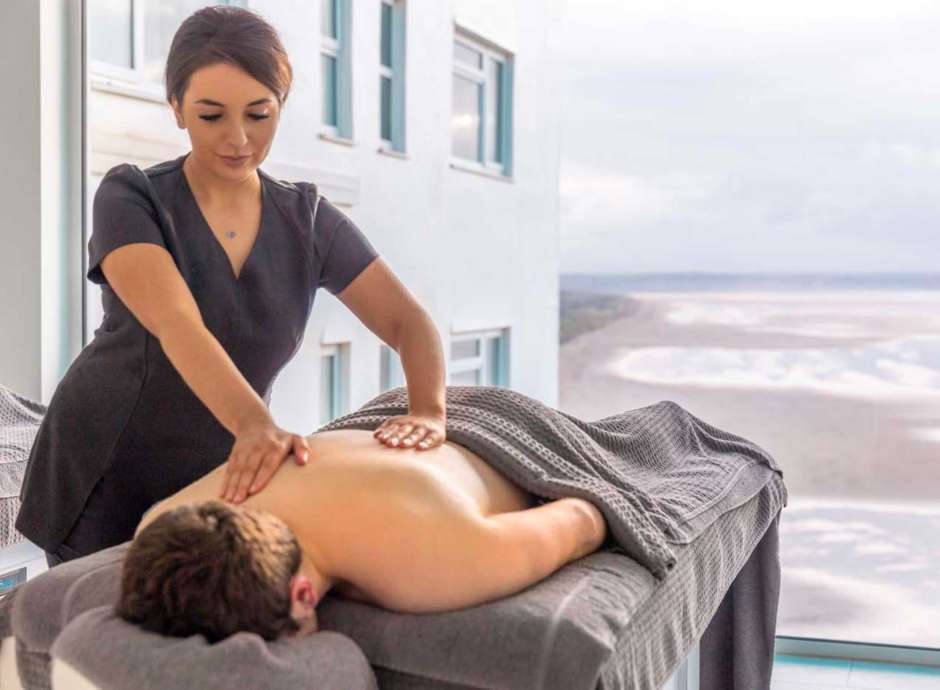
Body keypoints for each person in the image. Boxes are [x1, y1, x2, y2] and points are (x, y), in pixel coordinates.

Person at [16, 6, 447, 570]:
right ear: (176, 109)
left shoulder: (309, 221)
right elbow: (178, 324)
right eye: (211, 115)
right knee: (90, 640)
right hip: (103, 462)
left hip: (218, 474)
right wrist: (258, 427)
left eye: (259, 114)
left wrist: (429, 413)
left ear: (280, 108)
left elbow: (407, 324)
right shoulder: (131, 198)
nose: (238, 139)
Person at [119, 424, 609, 641]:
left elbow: (585, 518)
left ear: (304, 593)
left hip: (493, 430)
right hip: (371, 432)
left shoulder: (434, 563)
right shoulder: (162, 523)